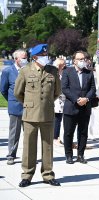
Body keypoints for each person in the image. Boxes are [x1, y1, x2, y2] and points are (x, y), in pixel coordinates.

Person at [14, 44, 61, 187]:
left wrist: (46, 103)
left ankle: (48, 174)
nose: (46, 57)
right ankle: (27, 175)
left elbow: (57, 92)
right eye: (42, 56)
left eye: (46, 55)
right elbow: (18, 92)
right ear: (35, 57)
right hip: (30, 114)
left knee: (47, 146)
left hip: (47, 113)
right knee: (29, 146)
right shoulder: (25, 71)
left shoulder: (52, 71)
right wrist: (29, 103)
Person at [61, 50, 96, 164]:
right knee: (68, 132)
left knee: (83, 132)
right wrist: (77, 99)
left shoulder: (89, 73)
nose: (83, 61)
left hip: (85, 107)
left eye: (84, 59)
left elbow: (92, 89)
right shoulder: (67, 71)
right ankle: (69, 155)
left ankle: (80, 155)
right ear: (74, 61)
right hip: (71, 107)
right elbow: (65, 88)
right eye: (80, 59)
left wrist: (86, 99)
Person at [0, 49, 28, 165]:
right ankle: (11, 154)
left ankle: (28, 156)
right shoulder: (8, 71)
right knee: (14, 133)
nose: (25, 59)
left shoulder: (29, 70)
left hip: (29, 107)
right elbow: (3, 90)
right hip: (15, 107)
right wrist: (12, 100)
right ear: (16, 59)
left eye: (26, 57)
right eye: (23, 57)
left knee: (29, 133)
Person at [53, 58, 66, 147]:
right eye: (61, 65)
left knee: (59, 119)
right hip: (56, 100)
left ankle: (57, 137)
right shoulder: (53, 73)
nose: (64, 66)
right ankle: (55, 138)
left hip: (62, 100)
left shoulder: (63, 73)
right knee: (56, 120)